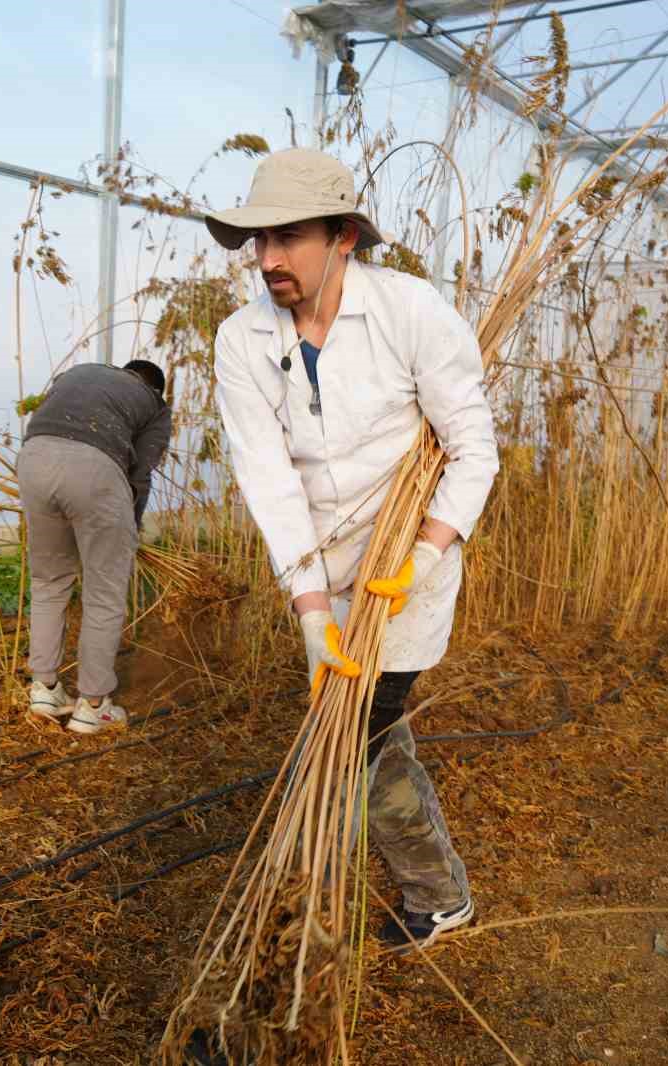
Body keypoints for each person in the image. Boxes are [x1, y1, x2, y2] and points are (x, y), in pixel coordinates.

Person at [207, 148, 499, 953]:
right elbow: (268, 479)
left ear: (341, 236)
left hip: (404, 580)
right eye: (255, 241)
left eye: (286, 237)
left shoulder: (410, 312)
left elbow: (475, 447)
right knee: (372, 742)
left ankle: (295, 941)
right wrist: (308, 610)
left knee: (341, 747)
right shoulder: (240, 340)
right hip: (323, 585)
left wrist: (427, 557)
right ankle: (439, 895)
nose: (265, 260)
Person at [16, 359, 172, 734]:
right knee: (104, 594)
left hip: (33, 457)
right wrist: (128, 532)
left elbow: (49, 409)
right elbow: (140, 474)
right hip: (96, 469)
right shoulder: (154, 405)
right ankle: (94, 706)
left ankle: (44, 689)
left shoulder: (81, 371)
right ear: (154, 388)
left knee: (48, 582)